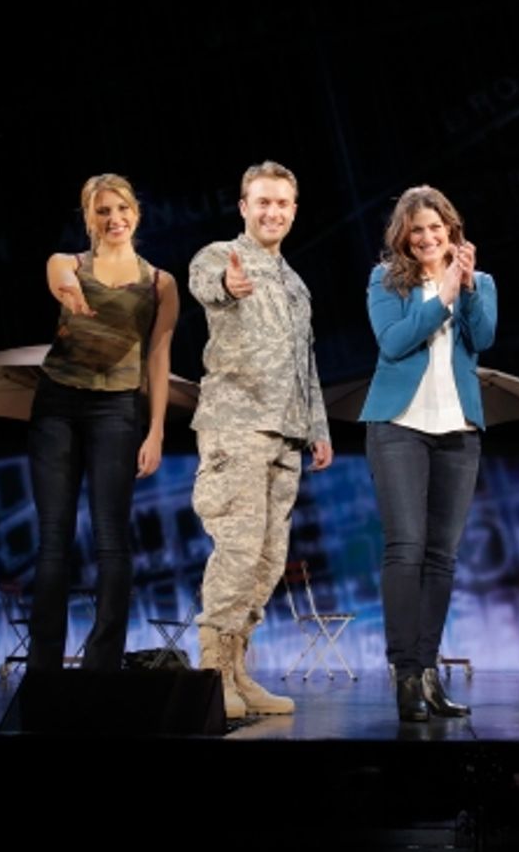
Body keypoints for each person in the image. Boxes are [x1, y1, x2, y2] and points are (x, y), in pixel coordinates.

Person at [188, 160, 332, 719]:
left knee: (270, 559)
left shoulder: (296, 283)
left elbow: (306, 361)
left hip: (287, 434)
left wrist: (317, 426)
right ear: (244, 207)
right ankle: (209, 673)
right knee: (239, 548)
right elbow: (206, 285)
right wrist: (227, 284)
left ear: (293, 211)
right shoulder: (220, 256)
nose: (272, 212)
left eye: (282, 204)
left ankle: (237, 670)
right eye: (262, 202)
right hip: (237, 425)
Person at [26, 175, 178, 672]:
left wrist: (155, 430)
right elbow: (59, 282)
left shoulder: (160, 283)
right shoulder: (65, 263)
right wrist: (70, 294)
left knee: (112, 536)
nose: (115, 219)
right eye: (103, 211)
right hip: (57, 405)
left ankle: (102, 660)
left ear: (136, 213)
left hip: (117, 409)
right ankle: (44, 662)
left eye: (122, 210)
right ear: (89, 218)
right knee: (54, 536)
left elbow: (158, 356)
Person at [360, 185, 497, 722]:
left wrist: (464, 289)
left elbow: (482, 337)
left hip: (458, 430)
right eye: (416, 229)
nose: (426, 237)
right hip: (398, 427)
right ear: (404, 235)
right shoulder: (385, 281)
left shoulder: (477, 282)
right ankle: (403, 676)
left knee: (442, 555)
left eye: (435, 228)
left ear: (451, 230)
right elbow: (393, 343)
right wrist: (438, 294)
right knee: (406, 547)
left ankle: (428, 674)